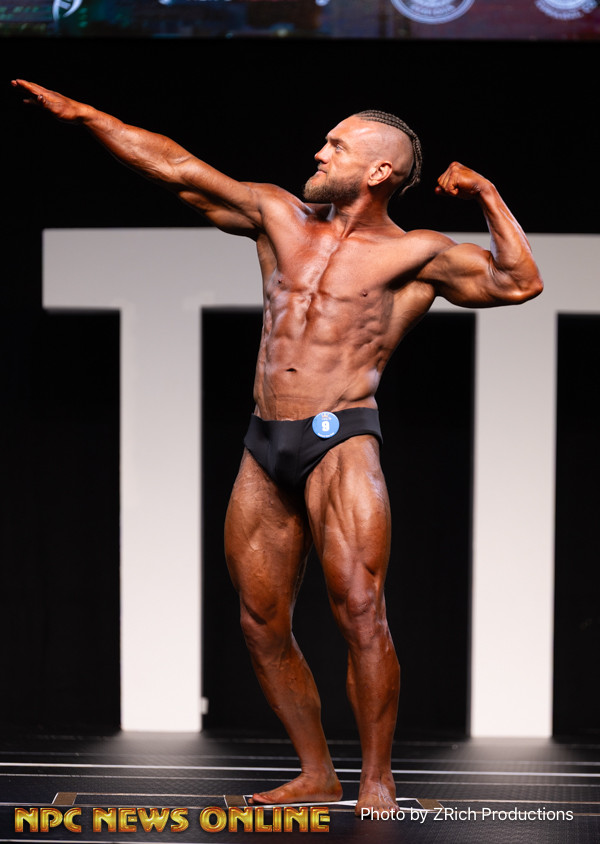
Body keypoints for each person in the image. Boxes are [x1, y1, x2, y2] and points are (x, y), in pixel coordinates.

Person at [12, 79, 543, 816]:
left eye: (337, 146)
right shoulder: (277, 217)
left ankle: (377, 778)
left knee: (361, 611)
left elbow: (519, 283)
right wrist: (83, 115)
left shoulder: (416, 253)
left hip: (341, 438)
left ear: (380, 171)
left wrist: (485, 193)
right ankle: (317, 772)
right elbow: (176, 167)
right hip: (265, 442)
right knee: (260, 623)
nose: (319, 153)